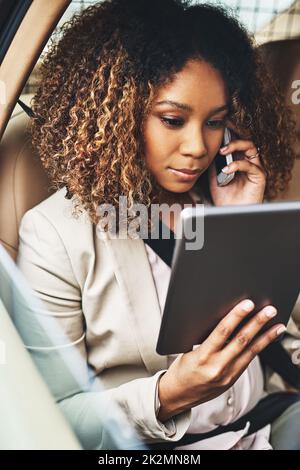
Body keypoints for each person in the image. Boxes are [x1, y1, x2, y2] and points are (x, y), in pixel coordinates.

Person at [17, 0, 300, 450]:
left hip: (262, 425)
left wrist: (239, 220)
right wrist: (167, 396)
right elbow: (57, 413)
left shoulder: (221, 194)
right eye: (172, 120)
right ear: (117, 113)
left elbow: (268, 325)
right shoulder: (55, 234)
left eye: (215, 122)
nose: (197, 147)